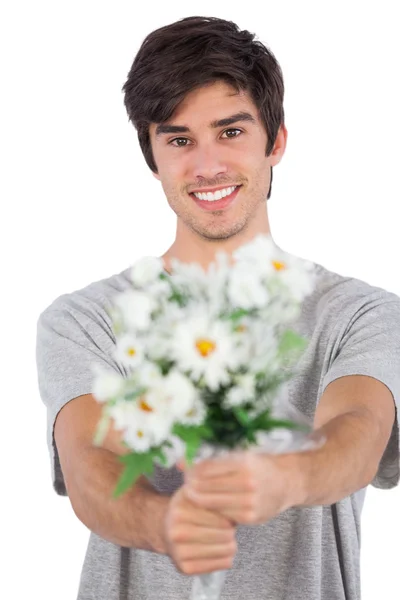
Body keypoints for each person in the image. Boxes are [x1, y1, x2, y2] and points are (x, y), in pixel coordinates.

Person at [35, 15, 400, 600]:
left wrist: (287, 477)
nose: (206, 166)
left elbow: (358, 432)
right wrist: (163, 522)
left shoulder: (361, 314)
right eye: (179, 139)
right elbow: (91, 463)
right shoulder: (87, 319)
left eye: (230, 132)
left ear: (275, 141)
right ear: (152, 156)